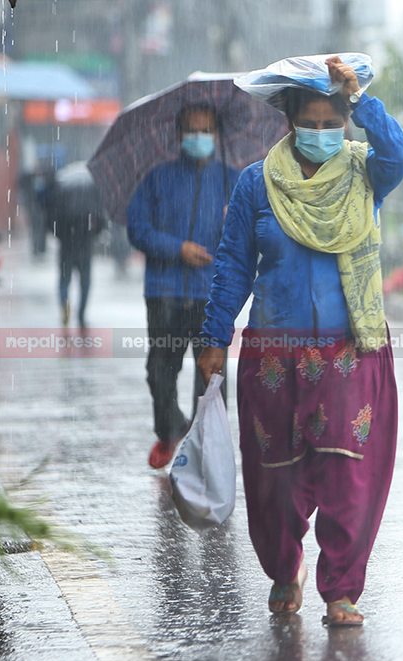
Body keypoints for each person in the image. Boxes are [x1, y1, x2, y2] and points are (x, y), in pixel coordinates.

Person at [197, 55, 403, 627]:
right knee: (277, 474)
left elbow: (402, 155)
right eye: (309, 123)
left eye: (331, 122)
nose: (321, 132)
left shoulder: (366, 172)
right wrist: (214, 335)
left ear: (345, 122)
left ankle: (341, 590)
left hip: (349, 349)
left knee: (348, 474)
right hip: (274, 352)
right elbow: (233, 265)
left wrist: (360, 100)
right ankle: (283, 568)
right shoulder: (256, 183)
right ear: (289, 122)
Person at [127, 103, 237, 468]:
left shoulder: (235, 181)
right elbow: (137, 230)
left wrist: (234, 225)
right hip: (165, 292)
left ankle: (205, 448)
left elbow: (253, 236)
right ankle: (170, 428)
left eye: (206, 130)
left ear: (217, 135)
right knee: (159, 372)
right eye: (191, 129)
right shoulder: (158, 178)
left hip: (213, 296)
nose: (198, 137)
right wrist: (177, 249)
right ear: (178, 135)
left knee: (211, 376)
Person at [45, 163, 107, 328]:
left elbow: (50, 218)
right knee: (85, 281)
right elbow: (101, 217)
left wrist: (61, 235)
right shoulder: (92, 189)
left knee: (64, 279)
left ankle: (64, 303)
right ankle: (81, 314)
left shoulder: (61, 189)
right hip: (85, 243)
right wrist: (93, 234)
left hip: (66, 244)